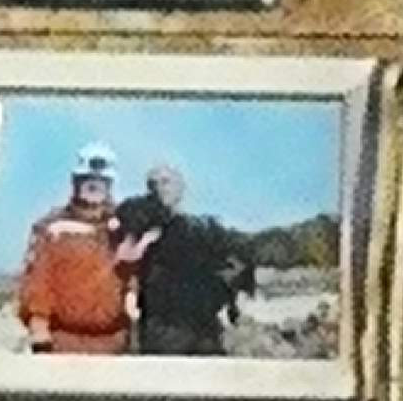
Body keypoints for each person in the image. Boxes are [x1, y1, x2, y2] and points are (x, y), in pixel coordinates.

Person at [113, 164, 252, 356]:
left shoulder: (202, 231)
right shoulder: (138, 219)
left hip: (204, 326)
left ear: (181, 187)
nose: (159, 188)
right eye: (153, 184)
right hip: (163, 327)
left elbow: (235, 265)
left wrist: (232, 302)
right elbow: (125, 254)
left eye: (165, 182)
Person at [15, 147, 134, 355]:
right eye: (87, 179)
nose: (94, 185)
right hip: (64, 343)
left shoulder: (125, 227)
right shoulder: (52, 228)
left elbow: (135, 277)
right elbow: (37, 282)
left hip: (115, 343)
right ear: (75, 182)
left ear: (110, 185)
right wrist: (39, 329)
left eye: (102, 181)